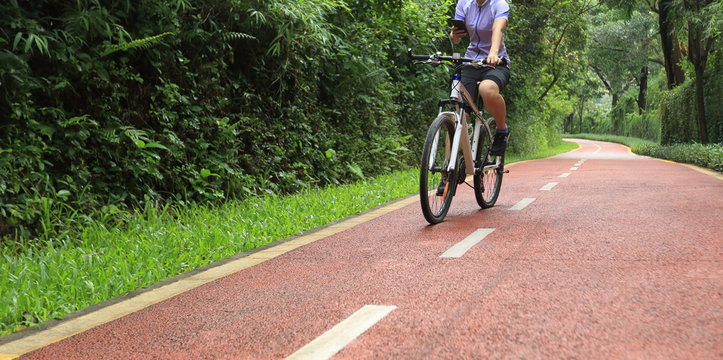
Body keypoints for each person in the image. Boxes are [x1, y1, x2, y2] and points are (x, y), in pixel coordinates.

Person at [449, 0, 511, 155]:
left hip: (496, 63)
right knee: (457, 116)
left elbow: (498, 28)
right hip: (471, 62)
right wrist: (453, 36)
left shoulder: (499, 4)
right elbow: (456, 38)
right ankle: (448, 171)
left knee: (487, 89)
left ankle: (502, 130)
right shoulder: (464, 3)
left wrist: (493, 53)